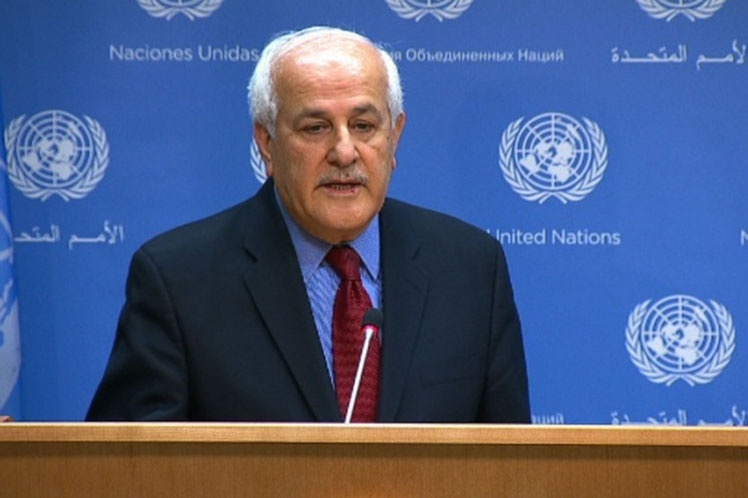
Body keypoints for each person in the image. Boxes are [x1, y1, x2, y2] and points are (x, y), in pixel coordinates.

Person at [87, 26, 530, 423]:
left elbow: (512, 464)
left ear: (395, 135)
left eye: (364, 126)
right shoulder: (179, 280)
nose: (344, 152)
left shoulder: (471, 269)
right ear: (267, 143)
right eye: (316, 128)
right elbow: (128, 467)